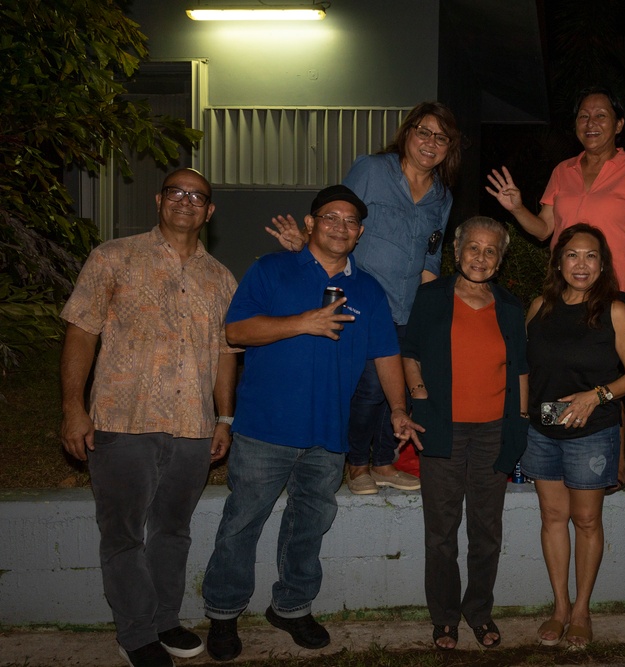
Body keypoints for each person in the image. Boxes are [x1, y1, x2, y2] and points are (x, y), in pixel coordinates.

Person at [201, 185, 424, 662]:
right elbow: (236, 331)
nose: (340, 227)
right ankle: (222, 613)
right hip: (265, 428)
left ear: (360, 233)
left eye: (350, 221)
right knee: (242, 522)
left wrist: (399, 409)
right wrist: (301, 322)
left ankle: (292, 605)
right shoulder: (270, 269)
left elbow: (387, 353)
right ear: (310, 224)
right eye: (330, 217)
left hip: (328, 433)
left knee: (310, 523)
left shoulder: (368, 289)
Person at [60, 168, 238, 667]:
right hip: (122, 420)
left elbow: (227, 353)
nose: (186, 201)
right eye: (177, 192)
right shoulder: (113, 257)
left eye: (197, 196)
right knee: (123, 532)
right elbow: (81, 332)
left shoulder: (221, 277)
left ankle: (164, 620)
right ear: (159, 199)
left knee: (173, 531)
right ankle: (136, 632)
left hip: (192, 427)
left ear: (209, 211)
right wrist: (74, 408)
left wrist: (224, 417)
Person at [268, 102, 461, 495]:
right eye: (423, 132)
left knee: (402, 387)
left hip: (408, 304)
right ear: (407, 134)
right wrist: (306, 246)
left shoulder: (442, 196)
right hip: (362, 298)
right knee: (371, 386)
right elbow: (338, 218)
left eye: (441, 138)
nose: (430, 143)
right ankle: (358, 465)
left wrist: (427, 313)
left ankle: (385, 462)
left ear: (448, 148)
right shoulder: (372, 170)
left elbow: (431, 254)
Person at [486, 85, 625, 494]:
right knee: (559, 369)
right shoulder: (562, 171)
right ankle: (553, 450)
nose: (591, 123)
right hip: (561, 291)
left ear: (619, 124)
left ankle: (611, 466)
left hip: (611, 291)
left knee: (609, 374)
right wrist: (515, 208)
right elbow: (545, 229)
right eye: (583, 116)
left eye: (601, 116)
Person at [401, 216, 529, 650]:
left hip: (496, 430)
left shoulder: (510, 306)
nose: (481, 256)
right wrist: (419, 399)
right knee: (441, 529)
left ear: (500, 257)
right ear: (457, 253)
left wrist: (522, 419)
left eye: (490, 250)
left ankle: (479, 612)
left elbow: (522, 371)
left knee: (486, 530)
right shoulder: (432, 296)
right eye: (472, 247)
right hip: (442, 428)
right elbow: (411, 353)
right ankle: (444, 617)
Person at [522, 224, 625, 649]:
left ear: (602, 265)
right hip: (541, 430)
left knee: (587, 520)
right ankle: (559, 607)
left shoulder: (614, 311)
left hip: (590, 432)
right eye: (572, 255)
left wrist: (598, 395)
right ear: (559, 262)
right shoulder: (539, 307)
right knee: (552, 519)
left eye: (591, 256)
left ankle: (582, 610)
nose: (581, 264)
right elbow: (527, 370)